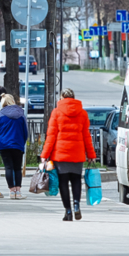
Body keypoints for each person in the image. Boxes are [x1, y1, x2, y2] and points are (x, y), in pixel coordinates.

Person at [40, 88, 96, 221]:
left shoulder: (57, 112)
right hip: (77, 154)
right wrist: (91, 154)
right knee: (76, 180)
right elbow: (86, 136)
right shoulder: (82, 113)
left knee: (63, 183)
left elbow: (51, 136)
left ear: (61, 98)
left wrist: (45, 154)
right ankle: (76, 205)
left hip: (60, 155)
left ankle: (68, 211)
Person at [0, 94, 28, 199]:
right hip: (17, 144)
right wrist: (22, 142)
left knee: (8, 167)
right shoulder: (21, 114)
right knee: (17, 168)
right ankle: (18, 192)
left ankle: (11, 190)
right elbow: (25, 132)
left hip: (4, 144)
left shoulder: (0, 115)